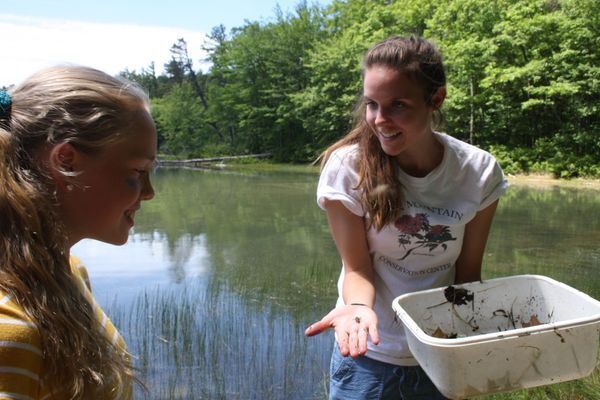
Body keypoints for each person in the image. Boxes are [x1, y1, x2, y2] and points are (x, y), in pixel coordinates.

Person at [304, 35, 507, 399]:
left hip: (440, 353)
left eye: (397, 105)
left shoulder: (478, 172)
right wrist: (356, 309)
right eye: (372, 105)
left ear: (436, 100)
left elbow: (468, 275)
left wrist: (478, 340)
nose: (380, 120)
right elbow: (358, 270)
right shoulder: (347, 169)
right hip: (367, 356)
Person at [0, 66, 156, 399]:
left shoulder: (70, 271)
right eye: (138, 172)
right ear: (67, 161)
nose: (148, 192)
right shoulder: (10, 328)